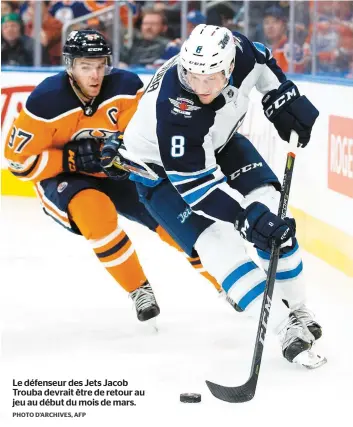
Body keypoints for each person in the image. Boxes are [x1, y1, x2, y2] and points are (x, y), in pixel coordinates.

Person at [104, 25, 323, 366]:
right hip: (160, 173)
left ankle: (299, 310)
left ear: (230, 67)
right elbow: (196, 187)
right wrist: (243, 217)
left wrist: (280, 96)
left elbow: (262, 60)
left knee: (274, 221)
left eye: (212, 79)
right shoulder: (177, 110)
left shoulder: (242, 52)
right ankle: (284, 327)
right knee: (217, 243)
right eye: (193, 77)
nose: (201, 88)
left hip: (220, 144)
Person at [4, 29, 227, 325]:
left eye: (100, 65)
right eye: (86, 66)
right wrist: (68, 159)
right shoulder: (46, 101)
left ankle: (229, 283)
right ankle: (138, 289)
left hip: (117, 170)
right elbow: (17, 162)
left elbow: (138, 136)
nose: (95, 75)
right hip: (66, 178)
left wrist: (120, 150)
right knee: (95, 213)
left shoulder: (124, 85)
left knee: (177, 223)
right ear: (70, 66)